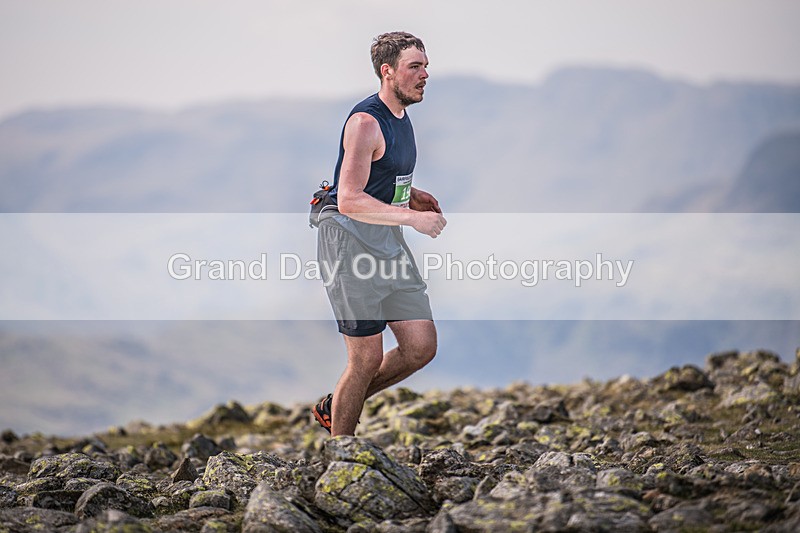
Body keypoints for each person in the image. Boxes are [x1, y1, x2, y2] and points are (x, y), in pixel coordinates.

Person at [312, 31, 447, 437]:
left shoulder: (402, 117)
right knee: (366, 359)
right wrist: (412, 219)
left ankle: (339, 404)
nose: (425, 75)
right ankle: (341, 454)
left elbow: (380, 174)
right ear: (387, 72)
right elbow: (349, 198)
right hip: (348, 244)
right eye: (415, 67)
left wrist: (412, 195)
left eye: (425, 66)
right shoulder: (365, 123)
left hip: (385, 241)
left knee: (420, 345)